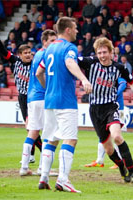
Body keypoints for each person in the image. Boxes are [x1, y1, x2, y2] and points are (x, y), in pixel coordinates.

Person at [35, 17, 92, 192]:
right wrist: (83, 79)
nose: (77, 31)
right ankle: (63, 180)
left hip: (50, 100)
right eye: (75, 28)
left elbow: (39, 73)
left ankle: (44, 178)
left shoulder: (49, 48)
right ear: (67, 29)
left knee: (51, 139)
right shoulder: (69, 48)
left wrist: (49, 88)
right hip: (65, 100)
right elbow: (69, 62)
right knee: (70, 139)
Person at [77, 37, 133, 184]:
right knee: (108, 149)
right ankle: (121, 168)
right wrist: (82, 79)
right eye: (99, 52)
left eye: (104, 52)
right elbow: (71, 61)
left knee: (117, 137)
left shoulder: (119, 67)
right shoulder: (90, 62)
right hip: (95, 110)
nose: (101, 55)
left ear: (111, 52)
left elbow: (132, 82)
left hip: (111, 107)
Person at [0, 27, 44, 168]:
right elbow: (3, 52)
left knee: (32, 128)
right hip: (23, 98)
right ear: (20, 54)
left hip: (35, 98)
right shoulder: (15, 61)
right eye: (25, 53)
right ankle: (33, 155)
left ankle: (40, 153)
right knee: (30, 128)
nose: (28, 55)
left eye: (30, 52)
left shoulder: (36, 64)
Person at [18, 30, 57, 177]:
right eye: (51, 40)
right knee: (49, 133)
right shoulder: (46, 54)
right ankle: (43, 168)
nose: (54, 43)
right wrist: (48, 89)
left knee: (33, 132)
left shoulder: (37, 55)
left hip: (32, 98)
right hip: (42, 98)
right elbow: (39, 74)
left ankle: (24, 167)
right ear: (44, 41)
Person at [84, 78, 127, 169]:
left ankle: (120, 160)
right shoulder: (102, 74)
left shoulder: (116, 71)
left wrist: (114, 94)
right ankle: (100, 161)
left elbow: (123, 84)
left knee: (116, 135)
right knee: (102, 134)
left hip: (117, 107)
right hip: (104, 107)